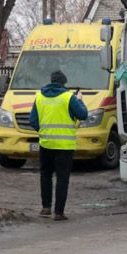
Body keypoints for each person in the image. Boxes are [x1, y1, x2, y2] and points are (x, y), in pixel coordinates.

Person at [29, 69, 87, 220]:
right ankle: (59, 212)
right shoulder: (69, 97)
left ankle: (46, 207)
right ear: (63, 83)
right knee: (62, 178)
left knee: (45, 174)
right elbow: (83, 115)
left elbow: (33, 120)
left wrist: (42, 131)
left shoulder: (39, 96)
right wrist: (79, 99)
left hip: (46, 143)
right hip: (64, 145)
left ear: (51, 81)